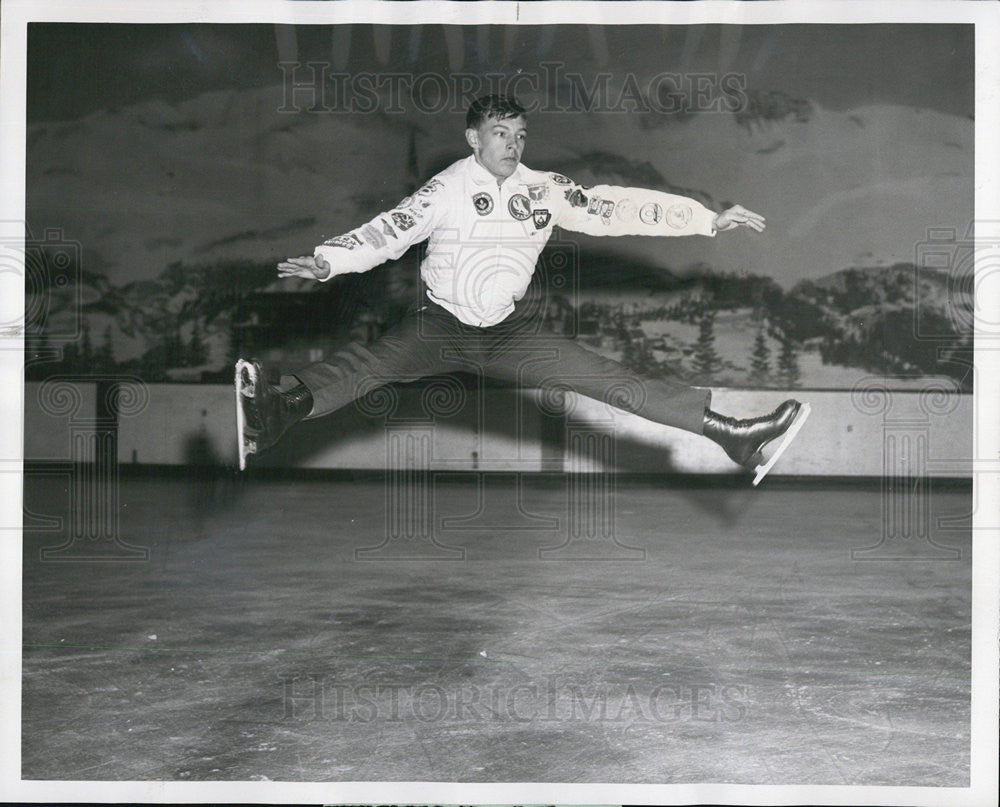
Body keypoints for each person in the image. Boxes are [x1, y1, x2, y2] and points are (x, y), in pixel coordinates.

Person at [236, 94, 808, 479]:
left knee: (611, 381)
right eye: (500, 134)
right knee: (367, 366)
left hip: (510, 334)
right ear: (473, 140)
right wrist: (329, 260)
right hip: (440, 327)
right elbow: (391, 230)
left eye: (520, 135)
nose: (512, 145)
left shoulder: (546, 190)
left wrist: (705, 219)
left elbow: (614, 207)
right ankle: (279, 409)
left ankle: (736, 436)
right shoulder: (446, 189)